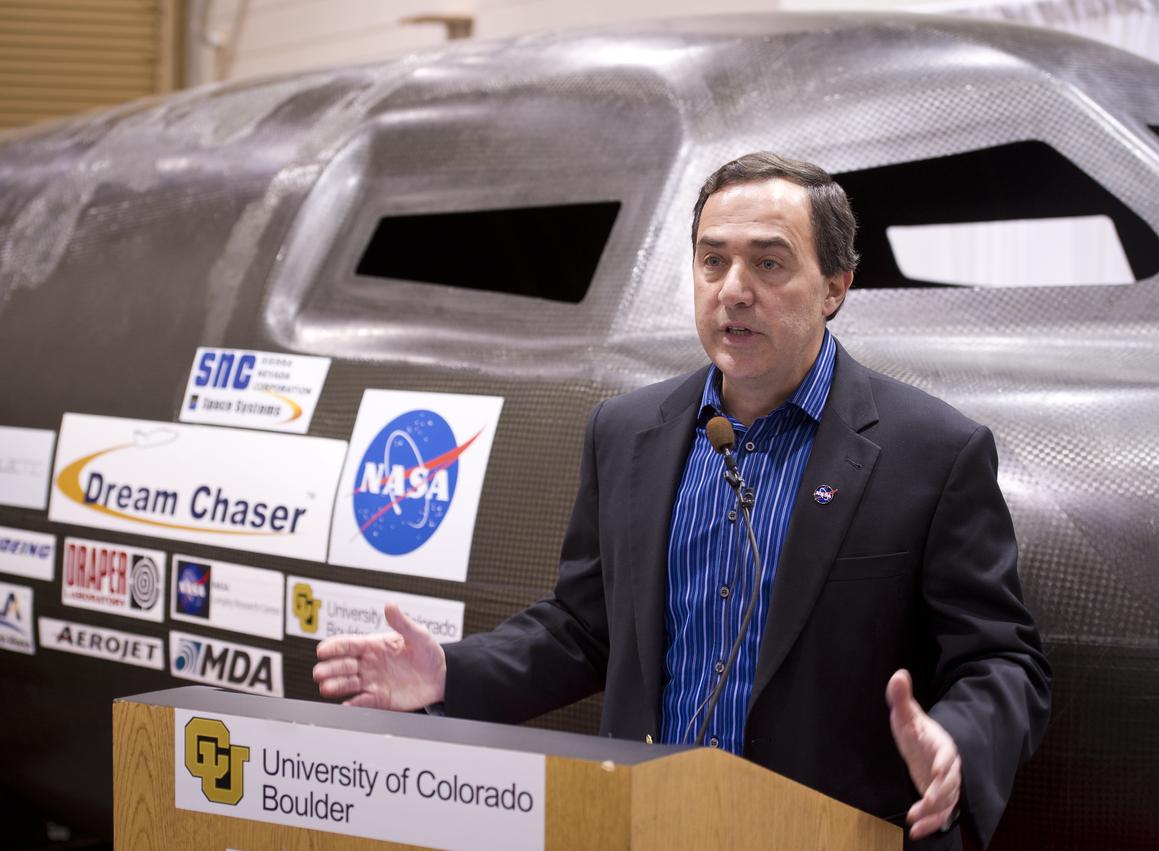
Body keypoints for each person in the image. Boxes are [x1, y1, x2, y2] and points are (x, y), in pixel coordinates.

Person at [313, 152, 1051, 849]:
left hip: (833, 832)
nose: (734, 289)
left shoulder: (932, 451)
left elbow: (1002, 658)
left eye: (768, 262)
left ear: (835, 286)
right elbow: (585, 628)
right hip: (650, 822)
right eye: (712, 260)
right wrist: (451, 671)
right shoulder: (627, 431)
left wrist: (959, 742)